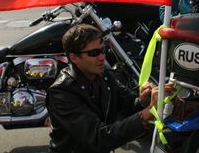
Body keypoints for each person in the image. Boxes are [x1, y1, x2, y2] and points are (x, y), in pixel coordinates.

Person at [47, 24, 166, 153]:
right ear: (74, 58)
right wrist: (147, 113)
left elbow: (127, 103)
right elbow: (98, 138)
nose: (102, 57)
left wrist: (144, 99)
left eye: (103, 50)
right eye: (93, 53)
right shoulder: (62, 92)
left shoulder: (104, 76)